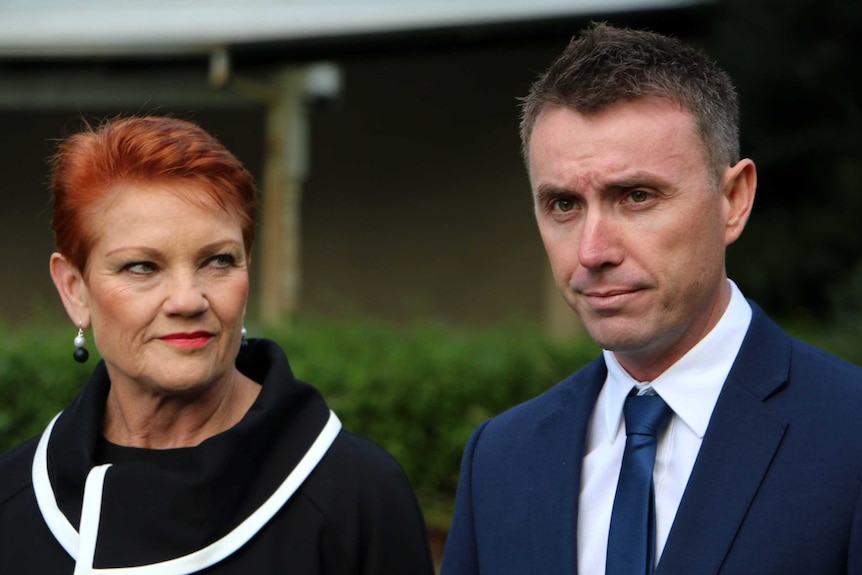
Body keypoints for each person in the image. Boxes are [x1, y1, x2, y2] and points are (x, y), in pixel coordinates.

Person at [441, 22, 862, 575]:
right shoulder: (500, 459)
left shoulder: (848, 435)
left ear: (733, 200)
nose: (593, 251)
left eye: (636, 196)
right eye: (564, 205)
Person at [0, 116, 435, 574]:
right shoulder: (13, 499)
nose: (188, 300)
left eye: (218, 261)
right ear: (74, 290)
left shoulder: (356, 495)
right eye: (142, 267)